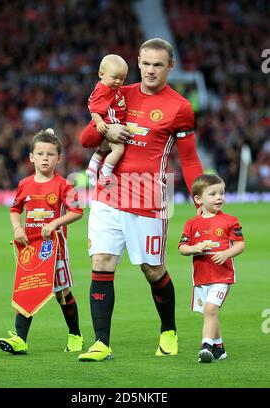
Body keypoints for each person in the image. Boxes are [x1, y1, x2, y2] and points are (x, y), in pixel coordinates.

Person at [78, 38, 203, 362]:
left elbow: (189, 160)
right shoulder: (120, 93)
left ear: (170, 67)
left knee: (152, 269)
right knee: (101, 263)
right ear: (138, 61)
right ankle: (101, 342)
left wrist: (200, 199)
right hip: (107, 194)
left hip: (147, 199)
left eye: (157, 64)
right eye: (145, 63)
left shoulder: (180, 107)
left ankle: (168, 330)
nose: (150, 70)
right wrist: (108, 131)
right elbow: (86, 139)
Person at [0, 128, 84, 355]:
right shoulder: (24, 184)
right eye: (40, 153)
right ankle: (20, 340)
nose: (45, 158)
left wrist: (55, 223)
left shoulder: (65, 185)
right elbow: (15, 209)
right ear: (31, 157)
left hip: (55, 248)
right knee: (27, 290)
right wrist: (17, 228)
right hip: (29, 247)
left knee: (61, 294)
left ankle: (75, 334)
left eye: (50, 154)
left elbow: (77, 211)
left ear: (59, 158)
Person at [178, 174, 245, 363]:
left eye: (222, 193)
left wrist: (226, 254)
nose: (219, 197)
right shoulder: (191, 223)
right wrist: (194, 248)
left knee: (210, 309)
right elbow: (182, 248)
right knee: (210, 313)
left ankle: (205, 346)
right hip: (200, 278)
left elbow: (240, 244)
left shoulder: (230, 220)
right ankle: (219, 348)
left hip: (222, 276)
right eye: (213, 194)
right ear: (198, 199)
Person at [85, 54, 128, 186]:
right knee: (118, 149)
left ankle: (92, 167)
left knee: (103, 148)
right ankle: (105, 172)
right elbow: (93, 108)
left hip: (110, 122)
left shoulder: (109, 88)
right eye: (114, 78)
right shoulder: (104, 90)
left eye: (122, 79)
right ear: (101, 74)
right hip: (109, 124)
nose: (118, 82)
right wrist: (99, 122)